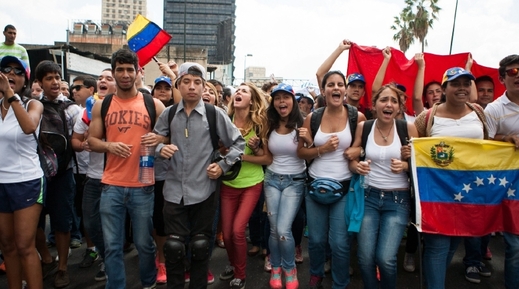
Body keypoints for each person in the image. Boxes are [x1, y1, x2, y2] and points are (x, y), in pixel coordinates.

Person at [152, 62, 244, 289]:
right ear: (179, 84)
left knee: (201, 246)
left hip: (205, 191)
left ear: (204, 87)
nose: (192, 87)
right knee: (173, 248)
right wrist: (159, 150)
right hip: (173, 192)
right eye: (186, 82)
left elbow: (238, 144)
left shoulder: (215, 114)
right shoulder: (169, 113)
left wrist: (223, 166)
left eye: (197, 82)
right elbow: (152, 140)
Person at [87, 48, 165, 289]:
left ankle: (149, 281)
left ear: (137, 72)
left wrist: (159, 140)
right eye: (119, 69)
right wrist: (109, 145)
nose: (124, 74)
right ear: (113, 72)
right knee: (112, 246)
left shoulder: (154, 104)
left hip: (143, 185)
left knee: (144, 244)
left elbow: (170, 137)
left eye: (129, 69)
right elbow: (92, 141)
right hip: (111, 184)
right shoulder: (103, 104)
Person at [414, 67, 489, 289]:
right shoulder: (426, 117)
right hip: (436, 193)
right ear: (445, 88)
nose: (462, 88)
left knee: (452, 244)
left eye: (467, 84)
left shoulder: (478, 112)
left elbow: (489, 143)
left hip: (469, 193)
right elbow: (412, 147)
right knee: (437, 247)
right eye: (456, 84)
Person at [297, 70, 366, 289]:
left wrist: (358, 151)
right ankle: (316, 275)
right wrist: (322, 149)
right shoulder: (313, 117)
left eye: (340, 84)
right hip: (315, 187)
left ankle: (340, 283)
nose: (336, 88)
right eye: (330, 85)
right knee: (316, 241)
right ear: (324, 90)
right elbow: (301, 153)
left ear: (345, 90)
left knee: (340, 243)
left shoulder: (357, 117)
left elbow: (364, 146)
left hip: (345, 189)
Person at [349, 84, 418, 289]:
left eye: (394, 101)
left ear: (399, 107)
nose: (389, 104)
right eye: (384, 100)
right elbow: (351, 156)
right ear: (375, 104)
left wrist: (407, 164)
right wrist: (357, 166)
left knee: (386, 258)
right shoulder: (365, 127)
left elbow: (422, 163)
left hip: (398, 200)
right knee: (365, 257)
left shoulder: (408, 128)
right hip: (368, 197)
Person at [32, 60, 82, 288]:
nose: (54, 82)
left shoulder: (71, 108)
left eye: (57, 77)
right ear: (39, 82)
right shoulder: (30, 106)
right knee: (32, 225)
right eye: (49, 78)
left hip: (63, 173)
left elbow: (77, 139)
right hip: (34, 175)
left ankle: (62, 268)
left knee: (62, 223)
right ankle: (47, 258)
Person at [219, 82, 272, 289]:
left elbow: (267, 159)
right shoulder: (225, 121)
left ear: (252, 100)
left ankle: (240, 275)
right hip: (228, 182)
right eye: (237, 90)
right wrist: (224, 150)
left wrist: (247, 154)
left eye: (244, 91)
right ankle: (233, 265)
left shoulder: (260, 124)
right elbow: (220, 152)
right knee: (227, 232)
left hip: (252, 183)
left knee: (238, 231)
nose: (238, 93)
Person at [0, 55, 43, 289]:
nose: (11, 74)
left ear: (25, 79)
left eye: (17, 71)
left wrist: (9, 94)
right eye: (5, 69)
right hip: (1, 182)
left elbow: (29, 127)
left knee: (25, 245)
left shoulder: (32, 104)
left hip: (26, 181)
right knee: (7, 245)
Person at [71, 68, 117, 282]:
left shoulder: (124, 108)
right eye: (101, 78)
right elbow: (75, 140)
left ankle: (112, 265)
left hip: (117, 179)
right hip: (94, 177)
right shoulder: (88, 111)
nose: (103, 81)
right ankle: (107, 256)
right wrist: (82, 144)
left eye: (109, 78)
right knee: (90, 223)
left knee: (112, 226)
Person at [264, 83, 305, 289]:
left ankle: (290, 269)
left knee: (282, 230)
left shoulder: (303, 125)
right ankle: (276, 267)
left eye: (285, 97)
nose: (282, 101)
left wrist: (309, 141)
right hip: (271, 179)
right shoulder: (268, 123)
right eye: (277, 98)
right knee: (273, 230)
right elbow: (267, 155)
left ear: (293, 101)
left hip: (294, 182)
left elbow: (307, 153)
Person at [484, 54, 519, 289]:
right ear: (502, 77)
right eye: (513, 72)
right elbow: (484, 143)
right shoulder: (494, 110)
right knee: (515, 246)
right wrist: (506, 138)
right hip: (510, 186)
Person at [150, 75, 174, 285]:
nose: (163, 91)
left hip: (177, 177)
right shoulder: (147, 112)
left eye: (168, 88)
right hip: (152, 176)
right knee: (157, 221)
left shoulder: (180, 113)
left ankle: (174, 259)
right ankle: (161, 259)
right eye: (159, 88)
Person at [316, 39, 370, 118]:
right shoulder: (335, 104)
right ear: (345, 89)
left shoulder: (367, 113)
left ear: (364, 92)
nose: (356, 89)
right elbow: (320, 74)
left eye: (360, 86)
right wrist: (340, 49)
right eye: (353, 85)